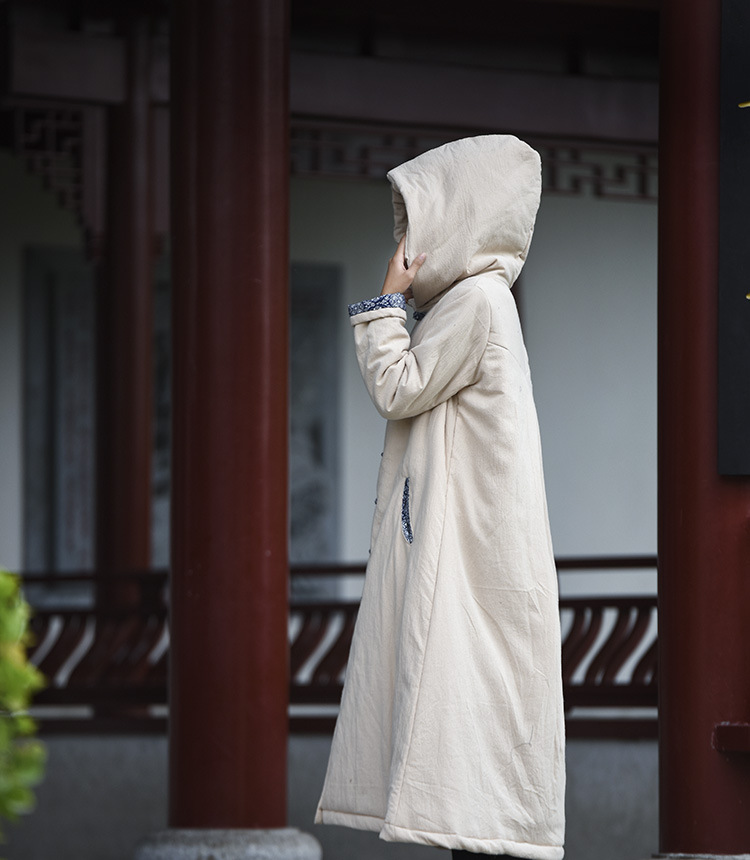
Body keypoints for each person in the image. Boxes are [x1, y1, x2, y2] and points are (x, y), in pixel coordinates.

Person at [315, 135, 565, 859]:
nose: (408, 245)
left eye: (420, 222)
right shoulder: (486, 301)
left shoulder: (475, 302)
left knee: (469, 747)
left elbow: (397, 388)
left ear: (461, 218)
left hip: (468, 563)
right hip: (479, 557)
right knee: (473, 754)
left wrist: (387, 300)